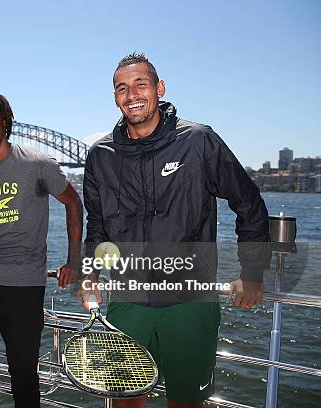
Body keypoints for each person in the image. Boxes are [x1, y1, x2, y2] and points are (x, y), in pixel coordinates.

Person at [80, 53, 270, 407]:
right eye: (122, 88)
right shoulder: (101, 155)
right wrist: (90, 273)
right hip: (128, 301)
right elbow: (97, 225)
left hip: (190, 303)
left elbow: (249, 202)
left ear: (159, 88)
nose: (131, 94)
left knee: (185, 402)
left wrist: (253, 272)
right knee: (124, 401)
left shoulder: (198, 141)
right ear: (115, 96)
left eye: (141, 84)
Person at [0, 89, 83, 407]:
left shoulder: (37, 164)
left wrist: (74, 260)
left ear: (5, 121)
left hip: (25, 287)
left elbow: (74, 203)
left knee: (23, 375)